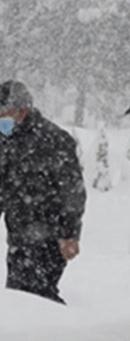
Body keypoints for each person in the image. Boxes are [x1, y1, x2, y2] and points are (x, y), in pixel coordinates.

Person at [0, 81, 85, 304]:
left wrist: (70, 234)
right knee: (20, 297)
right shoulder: (5, 139)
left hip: (50, 237)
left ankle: (74, 326)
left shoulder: (54, 140)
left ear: (22, 110)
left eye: (3, 114)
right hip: (18, 237)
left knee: (37, 296)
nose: (0, 120)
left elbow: (72, 192)